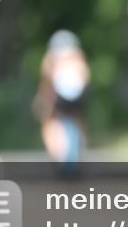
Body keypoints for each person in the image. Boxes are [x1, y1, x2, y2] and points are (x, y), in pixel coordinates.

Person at [33, 30, 91, 173]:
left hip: (60, 97)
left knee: (50, 122)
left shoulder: (51, 58)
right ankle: (78, 150)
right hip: (79, 97)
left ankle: (57, 156)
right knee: (78, 119)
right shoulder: (78, 56)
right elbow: (86, 77)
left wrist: (42, 100)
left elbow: (47, 81)